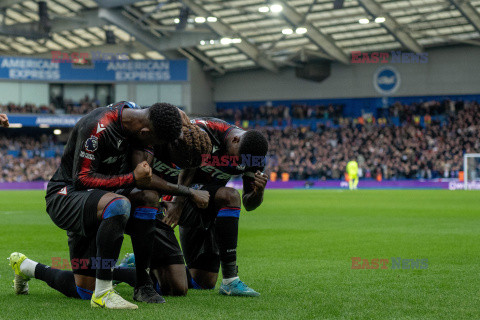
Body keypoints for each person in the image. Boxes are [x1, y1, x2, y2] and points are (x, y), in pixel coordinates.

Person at [7, 121, 213, 302]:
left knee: (176, 287)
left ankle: (132, 276)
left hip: (140, 204)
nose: (182, 168)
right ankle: (29, 267)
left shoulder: (183, 144)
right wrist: (187, 193)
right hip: (99, 200)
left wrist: (174, 200)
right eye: (182, 162)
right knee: (85, 290)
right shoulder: (146, 139)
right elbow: (145, 178)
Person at [127, 117, 269, 297]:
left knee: (204, 280)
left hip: (207, 204)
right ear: (235, 139)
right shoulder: (206, 131)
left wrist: (258, 192)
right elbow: (188, 165)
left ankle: (142, 261)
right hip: (178, 194)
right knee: (231, 196)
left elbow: (249, 204)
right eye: (237, 157)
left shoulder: (253, 157)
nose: (237, 163)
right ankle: (230, 281)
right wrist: (178, 203)